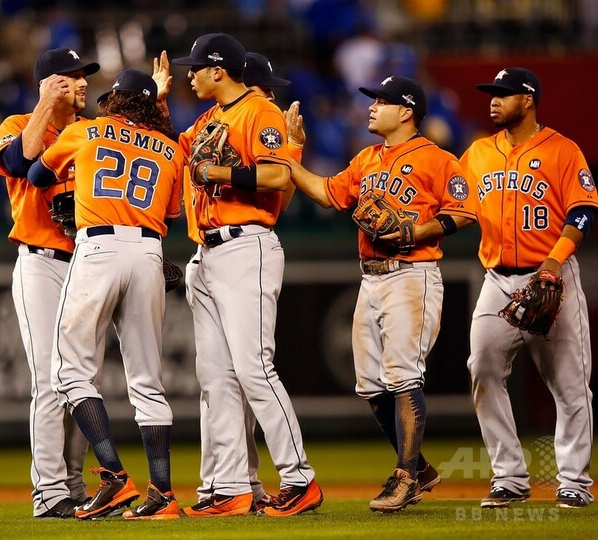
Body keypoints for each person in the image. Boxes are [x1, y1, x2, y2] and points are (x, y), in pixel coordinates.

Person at [287, 75, 477, 513]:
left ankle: (405, 476)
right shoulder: (367, 158)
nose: (371, 107)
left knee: (403, 375)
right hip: (370, 277)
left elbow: (465, 211)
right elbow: (327, 194)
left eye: (381, 101)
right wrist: (289, 155)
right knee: (370, 385)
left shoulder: (436, 159)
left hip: (411, 275)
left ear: (406, 111)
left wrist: (417, 230)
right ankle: (420, 468)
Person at [171, 33, 322, 517]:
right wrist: (152, 101)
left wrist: (221, 174)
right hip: (207, 251)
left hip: (245, 246)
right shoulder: (209, 120)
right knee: (215, 378)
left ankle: (299, 479)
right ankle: (232, 486)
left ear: (218, 70)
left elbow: (277, 177)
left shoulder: (259, 111)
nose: (189, 75)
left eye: (195, 67)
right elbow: (174, 154)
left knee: (254, 367)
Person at [28, 69, 184, 520]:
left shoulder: (87, 130)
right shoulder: (171, 149)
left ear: (114, 101)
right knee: (148, 382)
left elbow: (37, 174)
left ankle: (114, 476)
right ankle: (162, 493)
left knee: (69, 371)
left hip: (98, 246)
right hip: (149, 252)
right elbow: (170, 212)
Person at [462, 67, 595, 509]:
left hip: (551, 275)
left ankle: (574, 481)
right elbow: (455, 203)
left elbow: (583, 211)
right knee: (482, 368)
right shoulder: (478, 153)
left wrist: (554, 262)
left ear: (528, 99)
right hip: (497, 279)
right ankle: (510, 477)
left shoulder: (562, 150)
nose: (493, 100)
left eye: (503, 94)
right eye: (492, 93)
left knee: (570, 385)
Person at [0, 47, 99, 519]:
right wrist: (44, 104)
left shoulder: (88, 132)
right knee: (50, 381)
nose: (81, 83)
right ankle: (49, 492)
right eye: (70, 77)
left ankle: (73, 486)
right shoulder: (17, 123)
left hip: (87, 262)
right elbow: (19, 163)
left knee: (81, 382)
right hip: (41, 263)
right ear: (47, 83)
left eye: (83, 76)